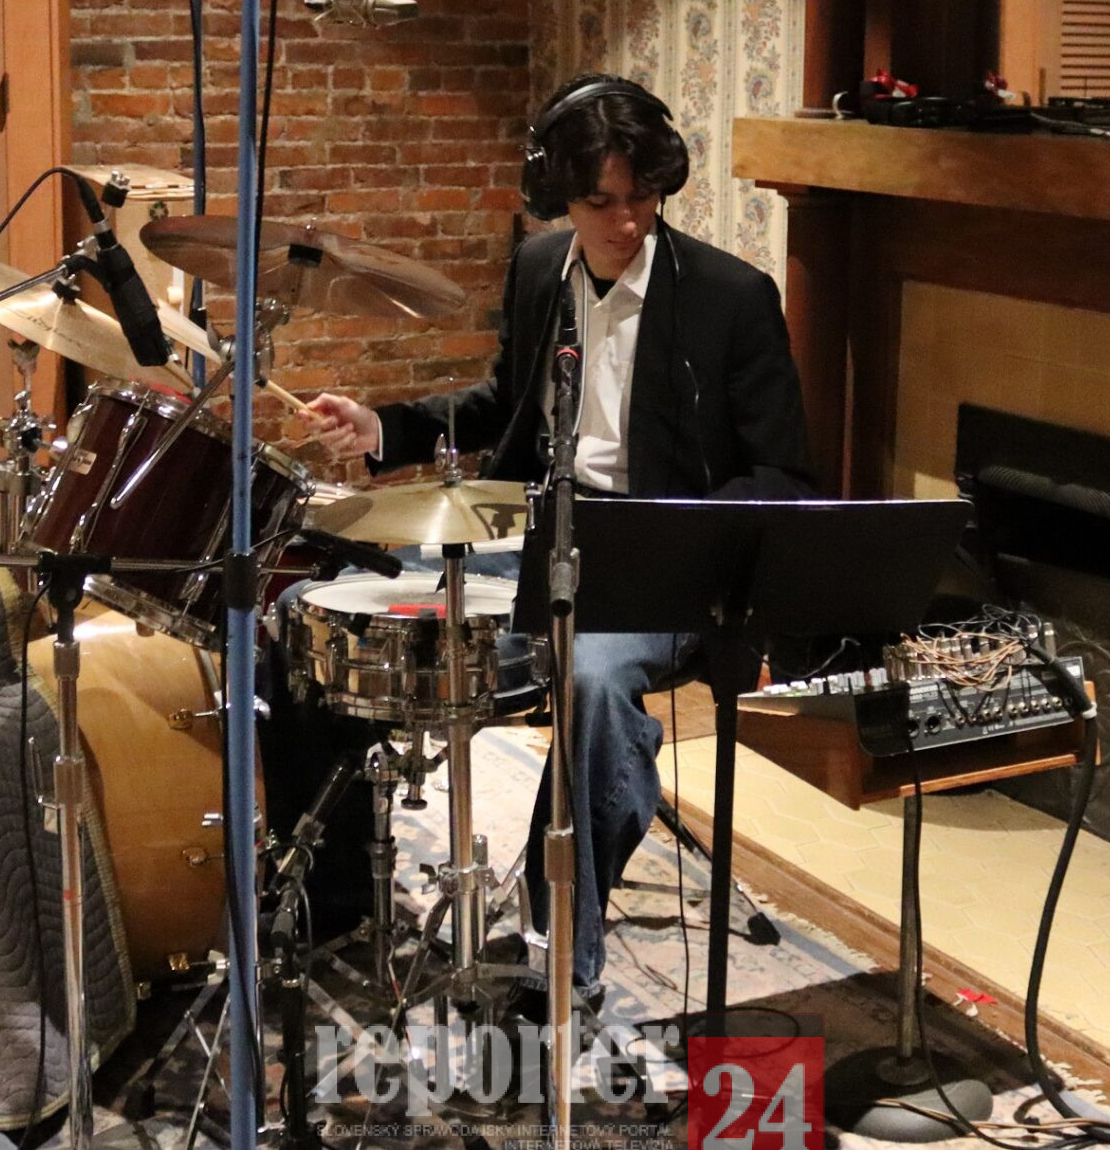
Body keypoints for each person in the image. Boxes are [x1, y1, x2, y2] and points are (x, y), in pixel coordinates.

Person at [303, 72, 812, 999]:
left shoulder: (731, 298)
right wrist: (384, 428)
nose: (627, 220)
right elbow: (502, 406)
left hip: (663, 564)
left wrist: (666, 535)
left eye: (643, 197)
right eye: (601, 201)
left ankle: (559, 949)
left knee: (591, 679)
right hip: (534, 534)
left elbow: (783, 476)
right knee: (321, 608)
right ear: (560, 195)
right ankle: (330, 897)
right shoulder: (542, 269)